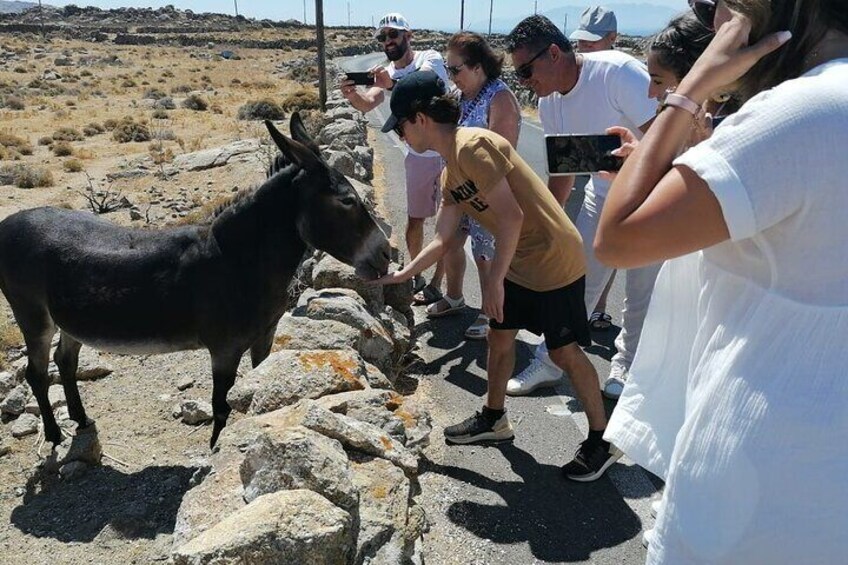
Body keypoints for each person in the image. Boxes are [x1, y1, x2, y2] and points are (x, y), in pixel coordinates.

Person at [597, 0, 848, 561]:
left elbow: (619, 238)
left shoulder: (803, 110)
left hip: (755, 480)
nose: (715, 25)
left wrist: (690, 89)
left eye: (723, 6)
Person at [374, 70, 621, 482]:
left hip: (553, 260)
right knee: (499, 336)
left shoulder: (475, 145)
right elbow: (443, 239)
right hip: (519, 261)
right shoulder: (451, 168)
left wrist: (492, 282)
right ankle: (494, 419)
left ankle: (601, 440)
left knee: (563, 353)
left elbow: (511, 218)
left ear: (419, 119)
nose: (400, 136)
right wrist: (403, 275)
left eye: (400, 126)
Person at [504, 15, 657, 399]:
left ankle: (626, 368)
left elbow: (668, 136)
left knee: (640, 293)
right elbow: (563, 174)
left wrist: (634, 166)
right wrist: (540, 226)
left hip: (651, 201)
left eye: (525, 70)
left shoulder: (618, 73)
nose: (523, 81)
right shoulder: (549, 103)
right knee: (578, 280)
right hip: (602, 199)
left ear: (553, 53)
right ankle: (550, 360)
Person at [340, 12, 448, 305]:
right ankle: (418, 273)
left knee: (446, 221)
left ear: (408, 36)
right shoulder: (385, 73)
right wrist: (352, 95)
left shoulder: (430, 58)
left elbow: (427, 83)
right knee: (415, 221)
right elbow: (367, 103)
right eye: (383, 37)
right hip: (418, 155)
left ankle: (437, 283)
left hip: (448, 152)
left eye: (393, 35)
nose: (388, 41)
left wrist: (391, 84)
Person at [429, 31, 522, 340]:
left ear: (479, 66)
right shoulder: (458, 97)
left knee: (486, 255)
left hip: (488, 193)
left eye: (457, 69)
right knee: (451, 244)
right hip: (459, 190)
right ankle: (454, 297)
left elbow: (502, 153)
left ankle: (490, 311)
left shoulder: (500, 98)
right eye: (448, 68)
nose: (452, 76)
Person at [571, 6, 619, 331]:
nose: (584, 48)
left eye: (592, 42)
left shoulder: (624, 75)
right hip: (587, 177)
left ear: (612, 39)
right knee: (581, 246)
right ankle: (582, 311)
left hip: (617, 184)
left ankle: (597, 307)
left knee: (610, 248)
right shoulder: (581, 74)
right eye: (581, 42)